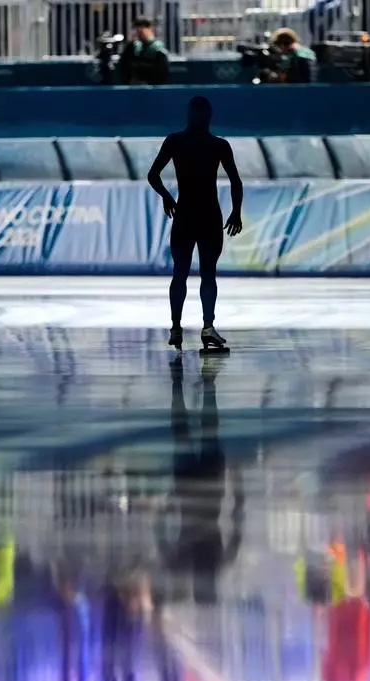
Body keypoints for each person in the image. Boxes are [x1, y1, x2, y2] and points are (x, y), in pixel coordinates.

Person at [147, 96, 243, 352]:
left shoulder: (175, 141)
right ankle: (208, 328)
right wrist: (236, 212)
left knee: (180, 272)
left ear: (188, 115)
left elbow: (152, 174)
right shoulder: (219, 145)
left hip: (185, 214)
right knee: (208, 273)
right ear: (209, 116)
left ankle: (176, 327)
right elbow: (235, 180)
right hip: (209, 215)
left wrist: (168, 197)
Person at [158, 356, 242, 602]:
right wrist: (167, 503)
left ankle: (207, 383)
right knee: (183, 433)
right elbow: (160, 536)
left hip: (210, 491)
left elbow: (237, 524)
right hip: (186, 493)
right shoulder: (182, 564)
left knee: (208, 432)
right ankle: (178, 382)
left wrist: (237, 485)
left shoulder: (219, 562)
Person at [117, 16, 170, 85]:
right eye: (137, 28)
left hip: (152, 86)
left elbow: (162, 73)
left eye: (143, 28)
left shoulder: (157, 48)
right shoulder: (132, 47)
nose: (139, 31)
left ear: (150, 29)